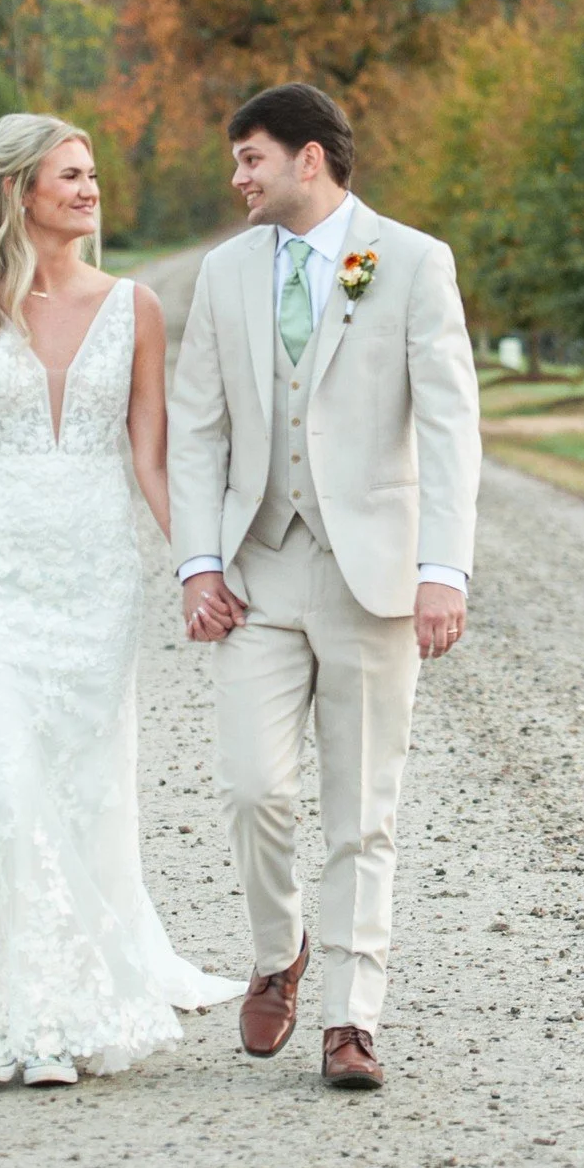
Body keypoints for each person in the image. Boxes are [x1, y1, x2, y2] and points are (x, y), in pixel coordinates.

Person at [0, 111, 242, 1085]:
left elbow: (152, 461)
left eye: (91, 173)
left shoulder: (139, 309)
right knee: (7, 775)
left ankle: (79, 976)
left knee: (83, 779)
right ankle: (19, 1012)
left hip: (97, 574)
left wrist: (202, 565)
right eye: (68, 175)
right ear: (20, 193)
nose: (88, 188)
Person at [169, 83, 481, 1091]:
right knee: (254, 785)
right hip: (258, 570)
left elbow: (449, 424)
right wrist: (197, 561)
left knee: (362, 807)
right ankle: (280, 948)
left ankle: (351, 1019)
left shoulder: (413, 262)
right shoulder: (223, 275)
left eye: (251, 157)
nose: (237, 176)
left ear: (312, 159)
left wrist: (443, 569)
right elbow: (198, 429)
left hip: (374, 576)